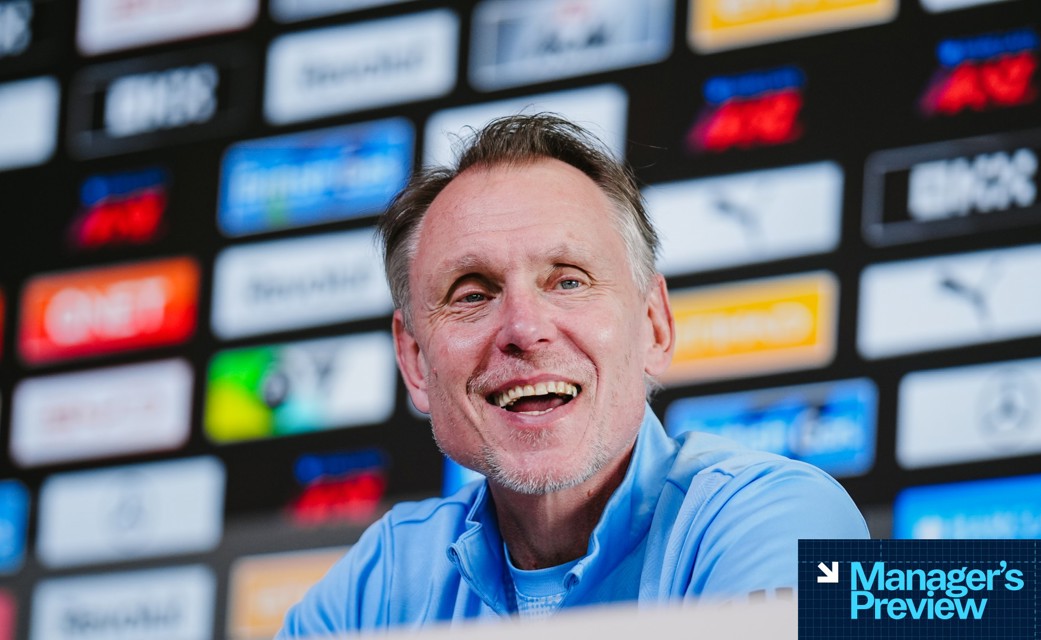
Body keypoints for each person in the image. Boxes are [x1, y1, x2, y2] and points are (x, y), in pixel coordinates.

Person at [276, 114, 867, 637]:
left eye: (569, 280)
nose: (523, 327)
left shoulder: (783, 519)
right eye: (472, 293)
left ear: (654, 325)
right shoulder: (381, 582)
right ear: (414, 362)